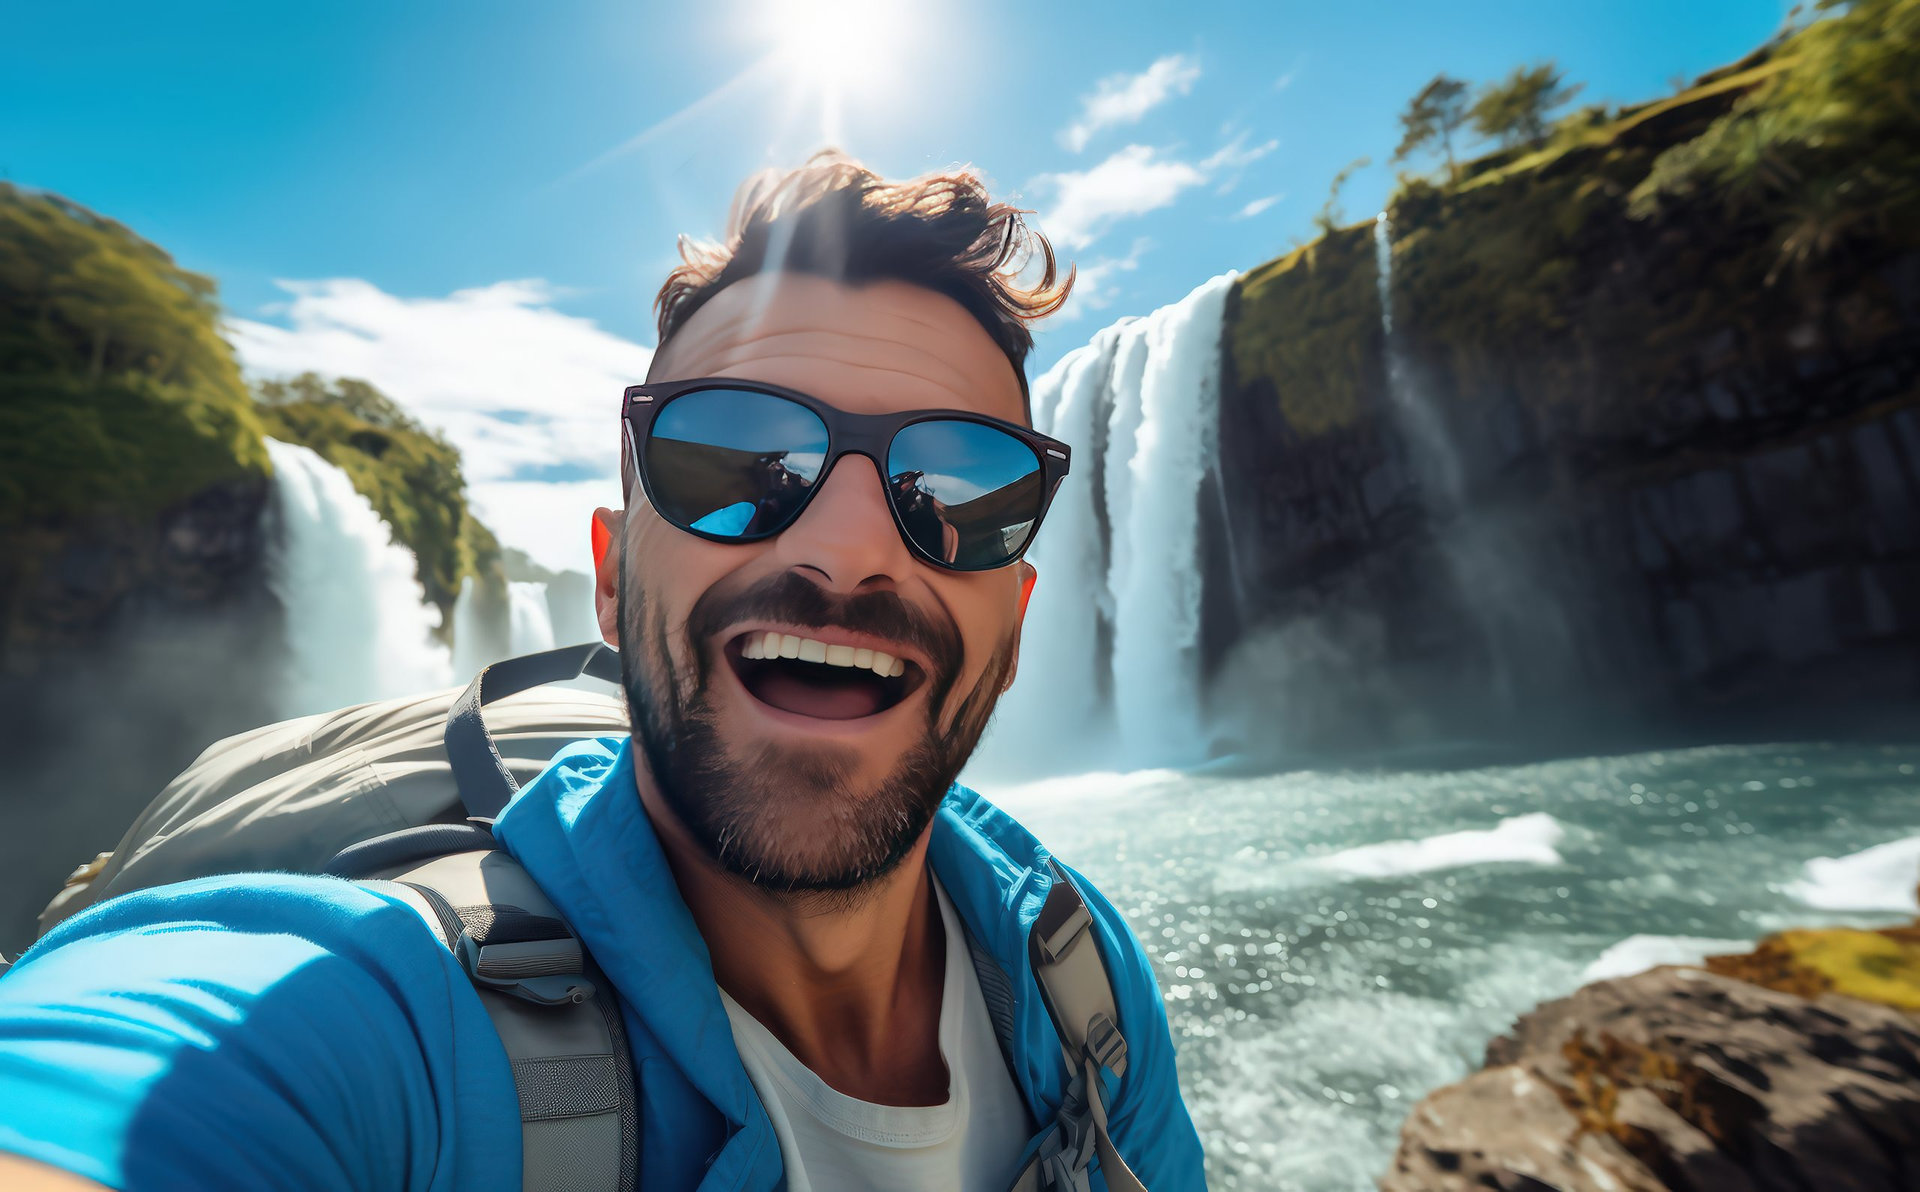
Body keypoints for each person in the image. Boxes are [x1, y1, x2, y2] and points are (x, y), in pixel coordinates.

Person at [0, 152, 1207, 1191]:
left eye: (957, 486)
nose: (844, 549)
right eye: (736, 461)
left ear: (1015, 624)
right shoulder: (386, 1014)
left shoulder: (1077, 972)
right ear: (614, 579)